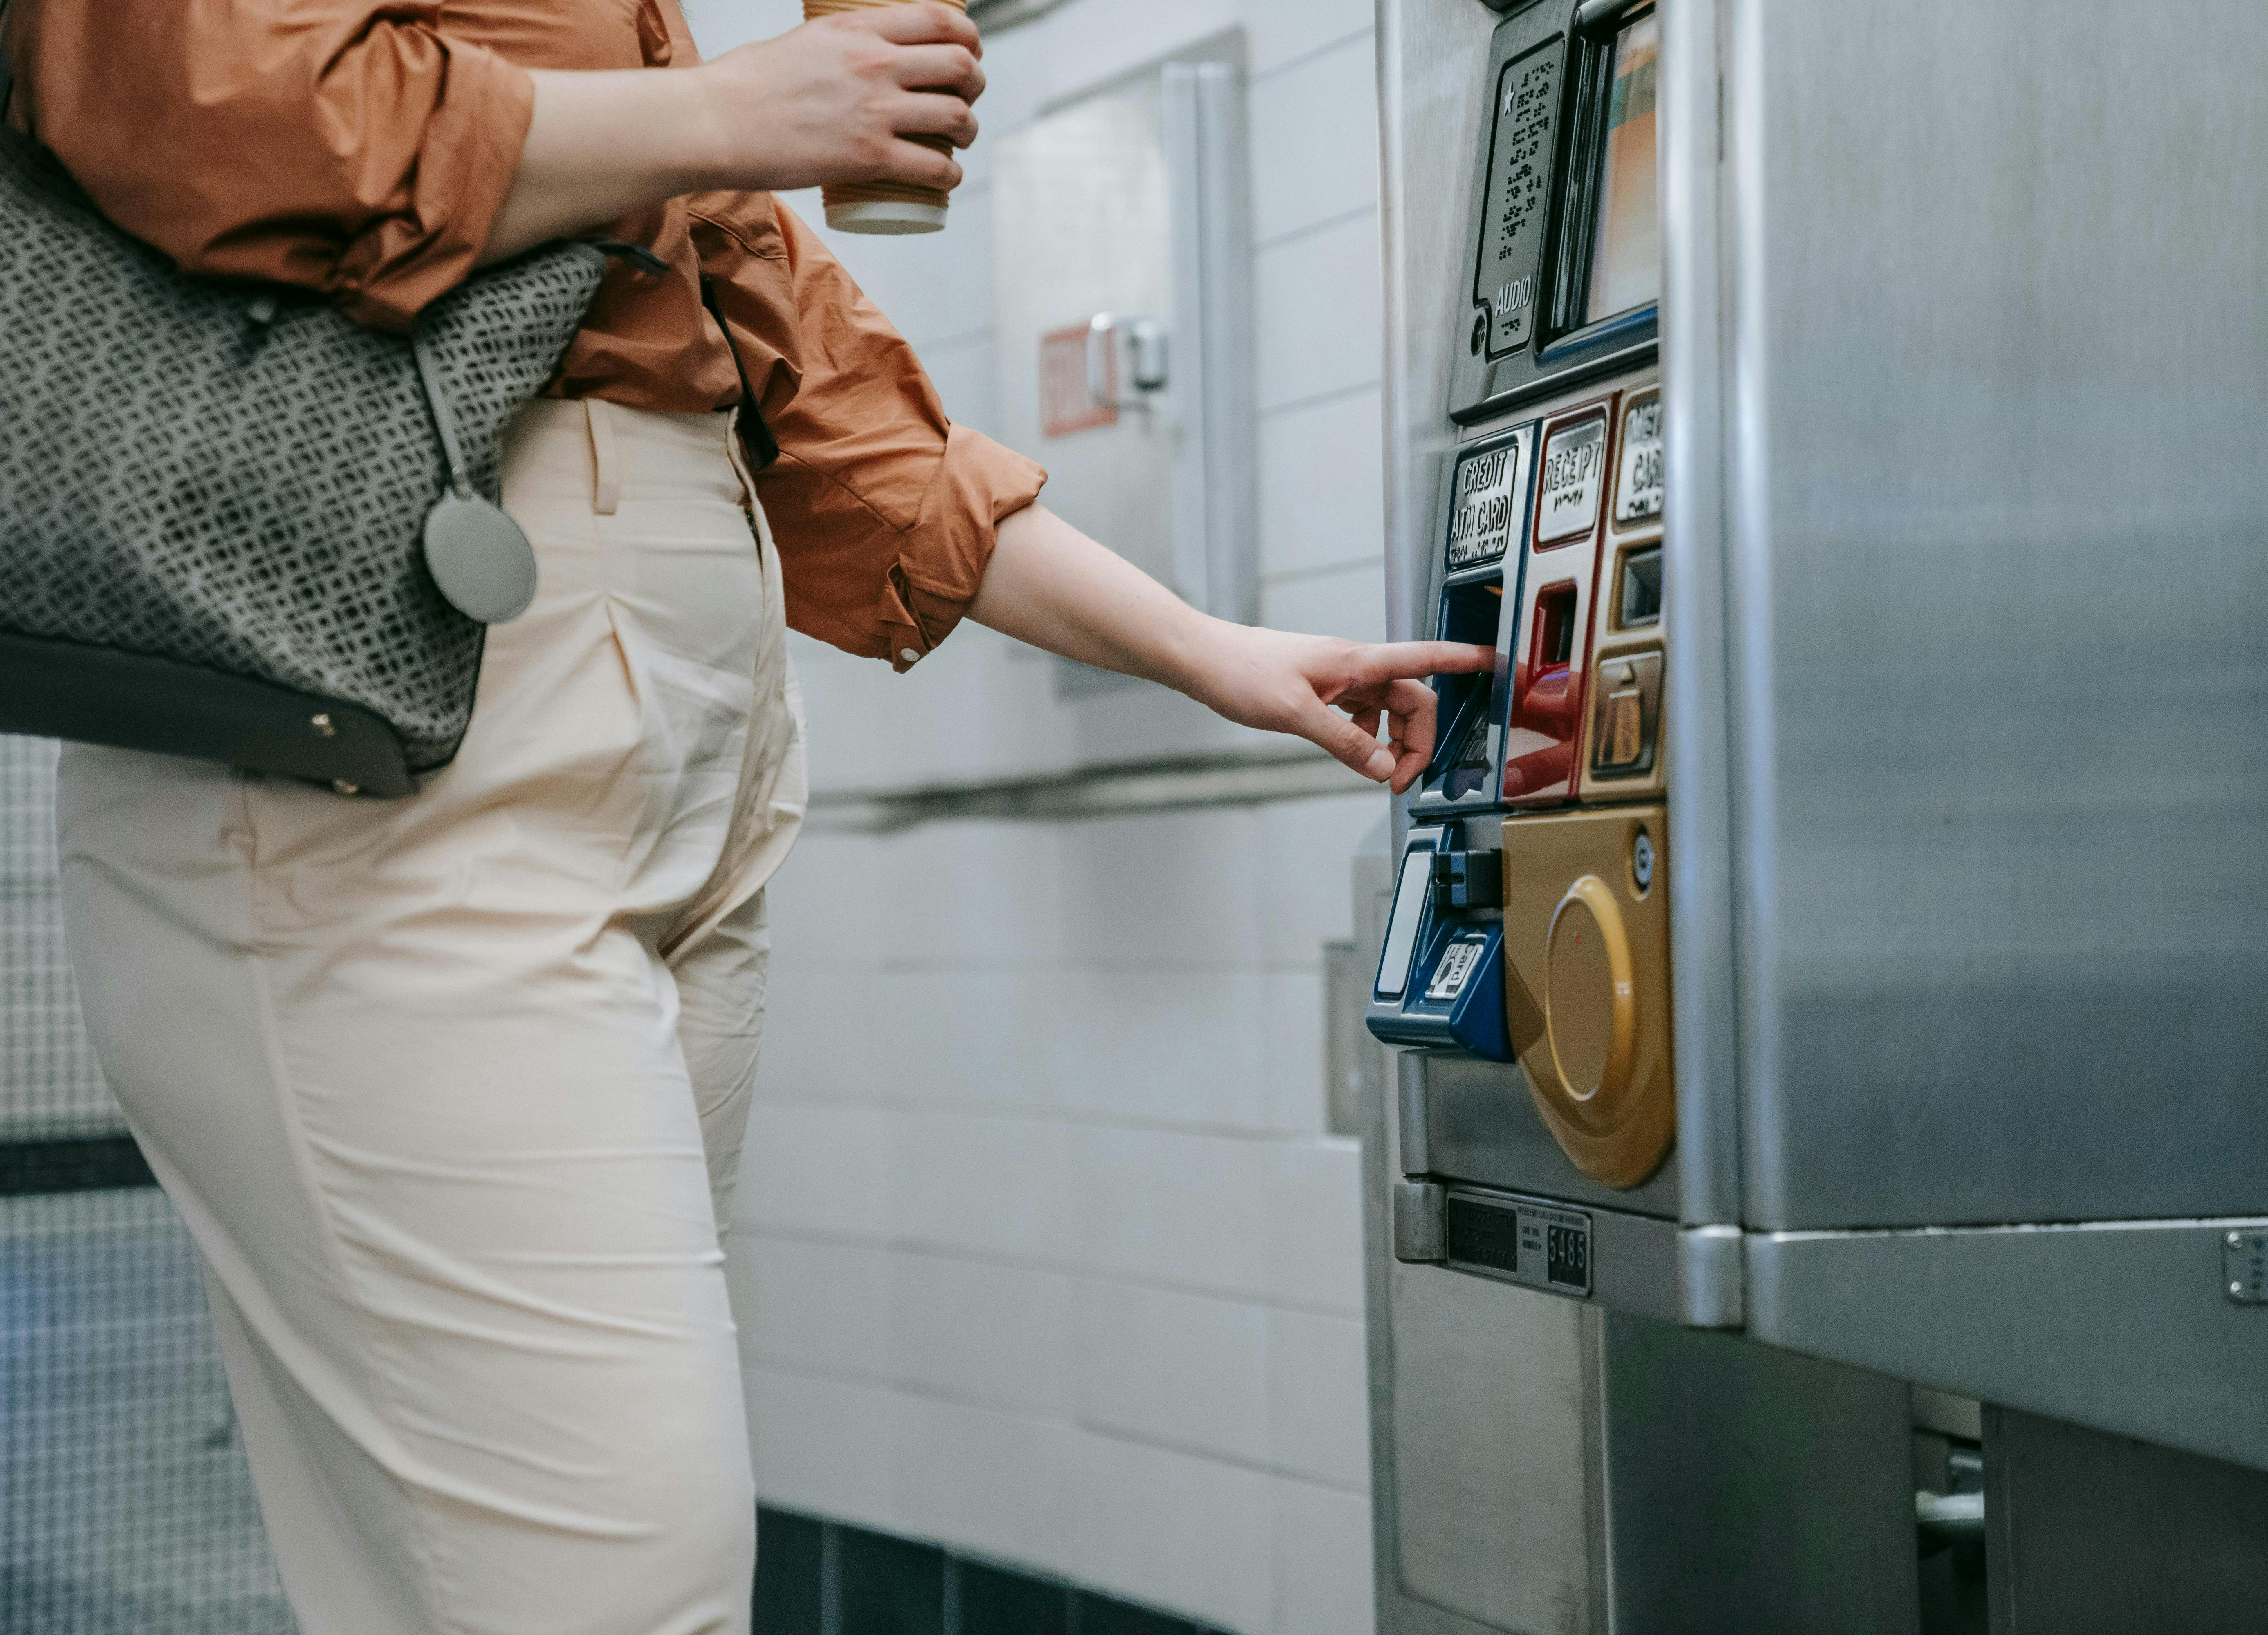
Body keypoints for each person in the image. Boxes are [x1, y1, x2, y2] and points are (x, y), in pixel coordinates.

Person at [5, 3, 1491, 1631]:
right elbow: (203, 100)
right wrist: (727, 115)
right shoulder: (678, 102)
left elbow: (830, 403)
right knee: (620, 1588)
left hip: (663, 793)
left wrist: (1210, 652)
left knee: (518, 1580)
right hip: (386, 758)